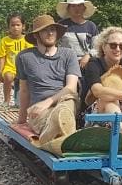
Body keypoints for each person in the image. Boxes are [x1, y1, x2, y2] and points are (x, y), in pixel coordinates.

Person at [16, 15, 81, 143]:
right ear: (36, 35)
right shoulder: (24, 57)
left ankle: (56, 132)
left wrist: (48, 102)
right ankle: (57, 133)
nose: (50, 33)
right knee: (47, 118)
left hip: (64, 101)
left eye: (53, 29)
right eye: (45, 30)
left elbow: (71, 87)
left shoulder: (68, 54)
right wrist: (21, 120)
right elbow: (24, 90)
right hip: (39, 109)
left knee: (65, 106)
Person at [0, 13, 33, 108]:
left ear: (23, 26)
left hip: (23, 69)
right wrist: (0, 73)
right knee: (8, 77)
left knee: (25, 83)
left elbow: (31, 57)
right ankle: (6, 101)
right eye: (12, 25)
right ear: (8, 27)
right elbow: (2, 58)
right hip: (10, 68)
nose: (15, 28)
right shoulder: (5, 41)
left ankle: (23, 102)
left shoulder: (27, 40)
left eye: (18, 25)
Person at [56, 0, 99, 71]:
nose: (77, 8)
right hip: (65, 64)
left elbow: (97, 47)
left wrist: (88, 56)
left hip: (87, 65)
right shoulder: (61, 25)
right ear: (68, 9)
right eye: (73, 6)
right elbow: (55, 45)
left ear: (84, 8)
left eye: (79, 5)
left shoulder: (91, 26)